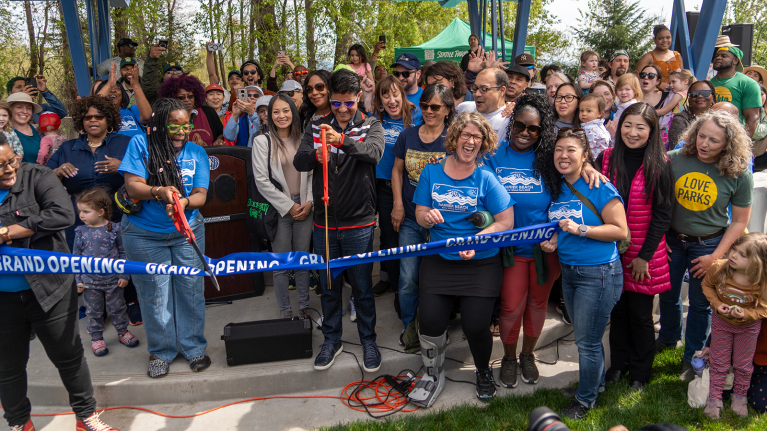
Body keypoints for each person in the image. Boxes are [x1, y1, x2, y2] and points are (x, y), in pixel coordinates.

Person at [0, 134, 120, 431]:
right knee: (7, 366)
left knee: (68, 356)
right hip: (4, 300)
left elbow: (62, 215)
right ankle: (19, 424)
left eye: (11, 161)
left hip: (50, 288)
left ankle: (86, 418)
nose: (8, 169)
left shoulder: (36, 176)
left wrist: (7, 232)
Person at [409, 111, 514, 406]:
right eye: (466, 135)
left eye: (477, 137)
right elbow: (419, 215)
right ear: (455, 137)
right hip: (439, 258)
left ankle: (483, 372)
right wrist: (427, 217)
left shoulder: (486, 178)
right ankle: (431, 374)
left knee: (476, 325)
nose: (470, 141)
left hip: (480, 262)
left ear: (483, 143)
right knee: (429, 322)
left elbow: (507, 221)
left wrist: (479, 239)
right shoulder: (431, 172)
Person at [293, 69, 385, 372]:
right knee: (329, 286)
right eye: (336, 104)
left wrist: (342, 140)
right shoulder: (316, 125)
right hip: (324, 222)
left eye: (348, 103)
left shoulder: (372, 123)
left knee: (362, 287)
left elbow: (373, 154)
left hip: (359, 222)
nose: (342, 109)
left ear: (358, 97)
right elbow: (299, 160)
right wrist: (314, 156)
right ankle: (332, 340)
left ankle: (368, 340)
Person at [657, 111, 754, 382]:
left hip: (709, 244)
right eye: (701, 136)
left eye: (714, 140)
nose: (704, 144)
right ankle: (667, 337)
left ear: (728, 144)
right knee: (668, 293)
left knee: (700, 305)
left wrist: (715, 257)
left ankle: (692, 358)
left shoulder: (738, 173)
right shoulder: (674, 159)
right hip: (673, 239)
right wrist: (661, 238)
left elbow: (739, 222)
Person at [119, 98, 212, 378]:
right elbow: (133, 185)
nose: (182, 131)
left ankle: (194, 347)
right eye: (174, 125)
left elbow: (201, 194)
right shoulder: (139, 144)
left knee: (191, 290)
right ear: (160, 123)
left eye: (186, 125)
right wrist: (158, 191)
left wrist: (184, 203)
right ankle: (161, 352)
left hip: (187, 232)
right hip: (144, 234)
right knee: (154, 296)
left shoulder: (197, 152)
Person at [546, 128, 628, 419]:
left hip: (598, 273)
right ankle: (595, 385)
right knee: (587, 337)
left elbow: (620, 230)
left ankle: (585, 400)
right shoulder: (559, 186)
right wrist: (555, 240)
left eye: (571, 150)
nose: (563, 156)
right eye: (559, 150)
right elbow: (562, 225)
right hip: (570, 270)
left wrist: (581, 229)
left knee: (587, 341)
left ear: (584, 156)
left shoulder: (599, 186)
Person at [596, 103, 674, 391]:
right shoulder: (605, 158)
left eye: (641, 127)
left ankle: (641, 371)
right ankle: (619, 364)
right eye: (628, 125)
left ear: (651, 131)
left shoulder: (661, 164)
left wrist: (644, 256)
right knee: (616, 311)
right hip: (610, 249)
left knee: (641, 315)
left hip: (644, 252)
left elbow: (663, 214)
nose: (632, 132)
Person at [489, 94, 562, 389]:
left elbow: (575, 177)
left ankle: (527, 355)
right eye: (520, 125)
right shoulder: (495, 154)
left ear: (542, 131)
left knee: (537, 305)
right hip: (510, 250)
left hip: (545, 249)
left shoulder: (551, 158)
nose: (525, 133)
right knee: (510, 307)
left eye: (533, 129)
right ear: (511, 122)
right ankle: (508, 357)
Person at [391, 84, 453, 344]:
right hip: (408, 220)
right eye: (425, 105)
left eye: (435, 107)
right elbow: (397, 171)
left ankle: (437, 325)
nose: (428, 110)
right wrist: (397, 204)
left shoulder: (453, 139)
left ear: (447, 110)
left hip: (441, 223)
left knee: (440, 277)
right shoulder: (407, 135)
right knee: (408, 277)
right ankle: (409, 326)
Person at [252, 94, 313, 319]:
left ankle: (304, 308)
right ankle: (285, 312)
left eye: (286, 110)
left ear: (293, 113)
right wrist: (289, 206)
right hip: (279, 209)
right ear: (269, 116)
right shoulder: (262, 141)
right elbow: (262, 181)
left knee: (302, 260)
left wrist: (309, 203)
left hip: (305, 205)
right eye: (276, 111)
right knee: (281, 263)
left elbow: (313, 173)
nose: (281, 116)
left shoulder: (305, 139)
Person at [46, 95, 132, 251]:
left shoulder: (125, 143)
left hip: (119, 215)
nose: (93, 120)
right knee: (80, 263)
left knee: (121, 263)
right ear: (81, 121)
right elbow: (44, 180)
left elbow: (145, 175)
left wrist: (122, 167)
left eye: (99, 116)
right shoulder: (67, 148)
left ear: (109, 119)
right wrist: (58, 172)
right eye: (88, 117)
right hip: (79, 219)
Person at [702, 233, 767, 419]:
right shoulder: (719, 268)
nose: (734, 255)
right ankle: (714, 399)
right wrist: (716, 305)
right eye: (734, 249)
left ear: (757, 262)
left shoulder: (762, 281)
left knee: (743, 366)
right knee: (718, 362)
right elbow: (706, 285)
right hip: (722, 323)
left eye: (743, 255)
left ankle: (740, 397)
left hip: (749, 327)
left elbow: (764, 309)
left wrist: (746, 314)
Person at [369, 76, 422, 300]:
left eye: (395, 94)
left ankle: (414, 285)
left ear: (403, 95)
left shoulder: (417, 117)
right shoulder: (375, 121)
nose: (391, 100)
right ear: (380, 101)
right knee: (389, 236)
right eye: (385, 95)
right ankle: (394, 286)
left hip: (412, 187)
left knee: (412, 236)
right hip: (383, 187)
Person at [73, 187, 138, 356]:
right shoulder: (80, 232)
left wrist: (124, 275)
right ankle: (96, 338)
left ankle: (123, 332)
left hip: (113, 280)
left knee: (118, 308)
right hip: (89, 282)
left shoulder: (114, 229)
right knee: (93, 311)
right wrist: (78, 280)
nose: (81, 215)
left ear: (101, 211)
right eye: (79, 211)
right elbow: (76, 257)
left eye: (86, 211)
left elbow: (124, 252)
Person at [159, 74, 224, 146]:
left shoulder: (209, 112)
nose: (187, 100)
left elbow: (220, 134)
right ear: (173, 99)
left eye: (190, 96)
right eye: (181, 97)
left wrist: (219, 140)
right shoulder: (169, 117)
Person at [710, 44, 761, 138]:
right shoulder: (708, 83)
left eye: (724, 56)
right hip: (709, 135)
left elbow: (752, 119)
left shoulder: (748, 83)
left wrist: (743, 145)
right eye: (717, 56)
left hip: (733, 137)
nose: (718, 58)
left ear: (735, 60)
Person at [95, 62, 151, 138]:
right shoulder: (98, 115)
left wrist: (136, 86)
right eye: (110, 89)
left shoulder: (132, 110)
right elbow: (93, 106)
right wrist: (109, 84)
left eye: (117, 88)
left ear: (123, 94)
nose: (113, 90)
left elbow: (147, 117)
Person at [456, 68, 510, 140]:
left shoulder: (510, 119)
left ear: (501, 91)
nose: (477, 94)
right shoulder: (463, 108)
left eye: (484, 89)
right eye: (475, 88)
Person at [668, 80, 716, 148]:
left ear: (713, 97)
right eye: (694, 94)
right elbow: (676, 148)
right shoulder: (680, 119)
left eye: (705, 93)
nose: (700, 96)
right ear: (689, 98)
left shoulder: (719, 119)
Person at [638, 65, 673, 147]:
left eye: (651, 76)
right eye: (643, 75)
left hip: (659, 144)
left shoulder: (668, 97)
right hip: (638, 142)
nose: (646, 77)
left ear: (658, 81)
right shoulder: (632, 99)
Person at [6, 92, 42, 164]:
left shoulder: (39, 130)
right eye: (19, 107)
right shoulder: (5, 132)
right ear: (10, 110)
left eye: (29, 108)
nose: (25, 111)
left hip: (40, 173)